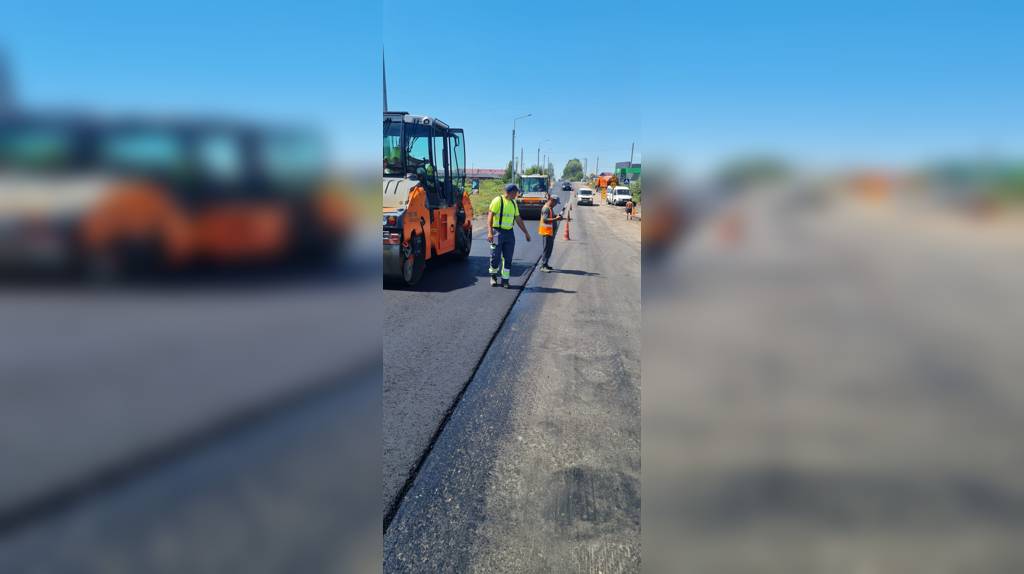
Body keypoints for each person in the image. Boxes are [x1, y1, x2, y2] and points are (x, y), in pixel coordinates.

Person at [487, 183, 531, 288]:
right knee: (495, 256)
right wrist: (490, 232)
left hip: (509, 233)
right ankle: (493, 276)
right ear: (511, 192)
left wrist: (526, 232)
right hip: (497, 232)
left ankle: (505, 280)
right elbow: (490, 216)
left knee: (508, 258)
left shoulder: (513, 203)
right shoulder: (498, 201)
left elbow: (518, 219)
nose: (517, 194)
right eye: (516, 192)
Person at [538, 194, 564, 272]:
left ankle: (546, 264)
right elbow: (545, 220)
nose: (556, 204)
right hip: (546, 232)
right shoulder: (546, 208)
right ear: (552, 200)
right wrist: (556, 219)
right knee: (546, 250)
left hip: (550, 232)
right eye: (556, 202)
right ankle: (543, 266)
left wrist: (557, 216)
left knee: (549, 249)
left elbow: (551, 216)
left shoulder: (550, 208)